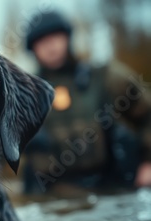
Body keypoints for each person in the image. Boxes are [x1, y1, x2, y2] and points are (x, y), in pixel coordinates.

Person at [22, 11, 151, 194]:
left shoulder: (104, 77)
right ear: (32, 48)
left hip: (110, 188)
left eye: (55, 37)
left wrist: (148, 162)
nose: (50, 46)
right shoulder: (25, 93)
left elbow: (147, 113)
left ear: (67, 37)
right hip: (51, 196)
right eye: (41, 41)